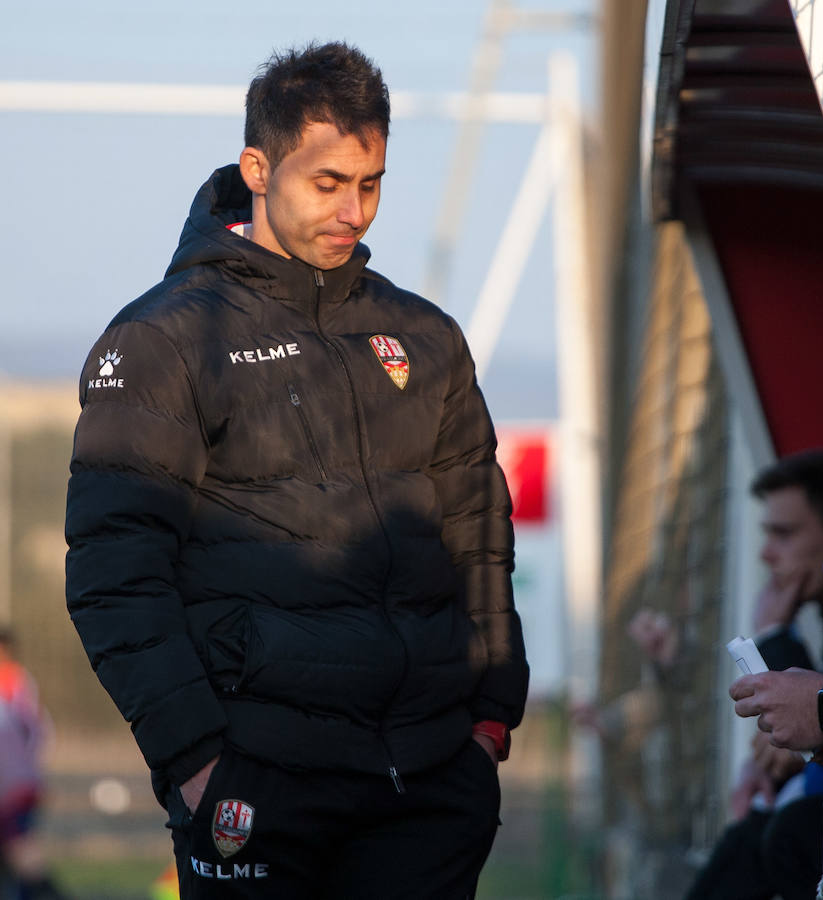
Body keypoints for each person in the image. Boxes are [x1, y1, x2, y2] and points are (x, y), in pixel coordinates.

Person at [64, 42, 529, 900]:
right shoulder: (164, 339)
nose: (354, 210)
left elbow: (479, 534)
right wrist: (197, 762)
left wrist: (489, 724)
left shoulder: (426, 338)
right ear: (258, 167)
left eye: (372, 182)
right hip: (256, 785)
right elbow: (113, 576)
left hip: (430, 785)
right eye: (328, 183)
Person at [681, 449, 823, 900]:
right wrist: (768, 764)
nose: (766, 553)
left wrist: (773, 635)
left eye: (785, 534)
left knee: (785, 835)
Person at [0, 629, 67, 900]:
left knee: (21, 850)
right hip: (16, 783)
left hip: (14, 787)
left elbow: (36, 732)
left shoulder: (15, 684)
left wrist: (28, 771)